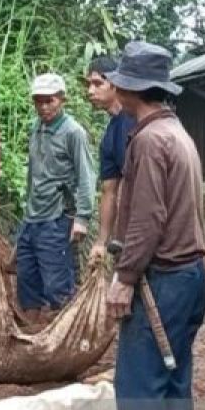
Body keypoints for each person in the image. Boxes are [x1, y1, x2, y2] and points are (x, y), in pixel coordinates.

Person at [95, 42, 205, 410]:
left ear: (127, 88)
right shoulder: (177, 132)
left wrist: (124, 277)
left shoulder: (146, 140)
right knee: (174, 377)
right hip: (189, 276)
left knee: (140, 379)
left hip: (162, 278)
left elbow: (145, 220)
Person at [14, 73, 95, 319]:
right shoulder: (36, 128)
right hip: (33, 217)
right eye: (38, 101)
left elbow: (86, 176)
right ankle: (32, 335)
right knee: (27, 282)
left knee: (57, 284)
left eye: (49, 100)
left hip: (57, 218)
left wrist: (82, 218)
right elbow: (33, 175)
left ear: (62, 99)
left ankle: (62, 340)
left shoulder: (73, 133)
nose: (43, 106)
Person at [84, 54, 138, 265]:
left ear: (116, 84)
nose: (90, 91)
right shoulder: (109, 135)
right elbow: (109, 191)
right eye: (89, 84)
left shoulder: (137, 122)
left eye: (98, 83)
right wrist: (101, 242)